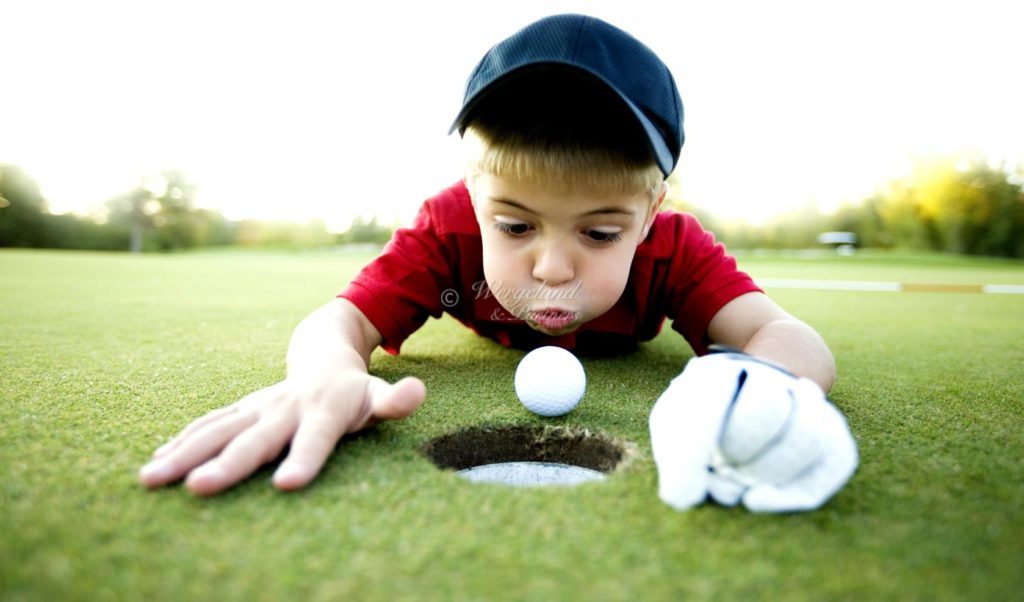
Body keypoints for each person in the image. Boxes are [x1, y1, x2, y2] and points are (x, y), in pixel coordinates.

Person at [139, 14, 856, 511]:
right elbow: (340, 324)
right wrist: (324, 374)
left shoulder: (674, 246)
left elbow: (792, 339)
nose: (550, 268)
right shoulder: (444, 228)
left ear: (652, 207)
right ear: (474, 192)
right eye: (513, 224)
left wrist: (758, 385)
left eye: (601, 234)